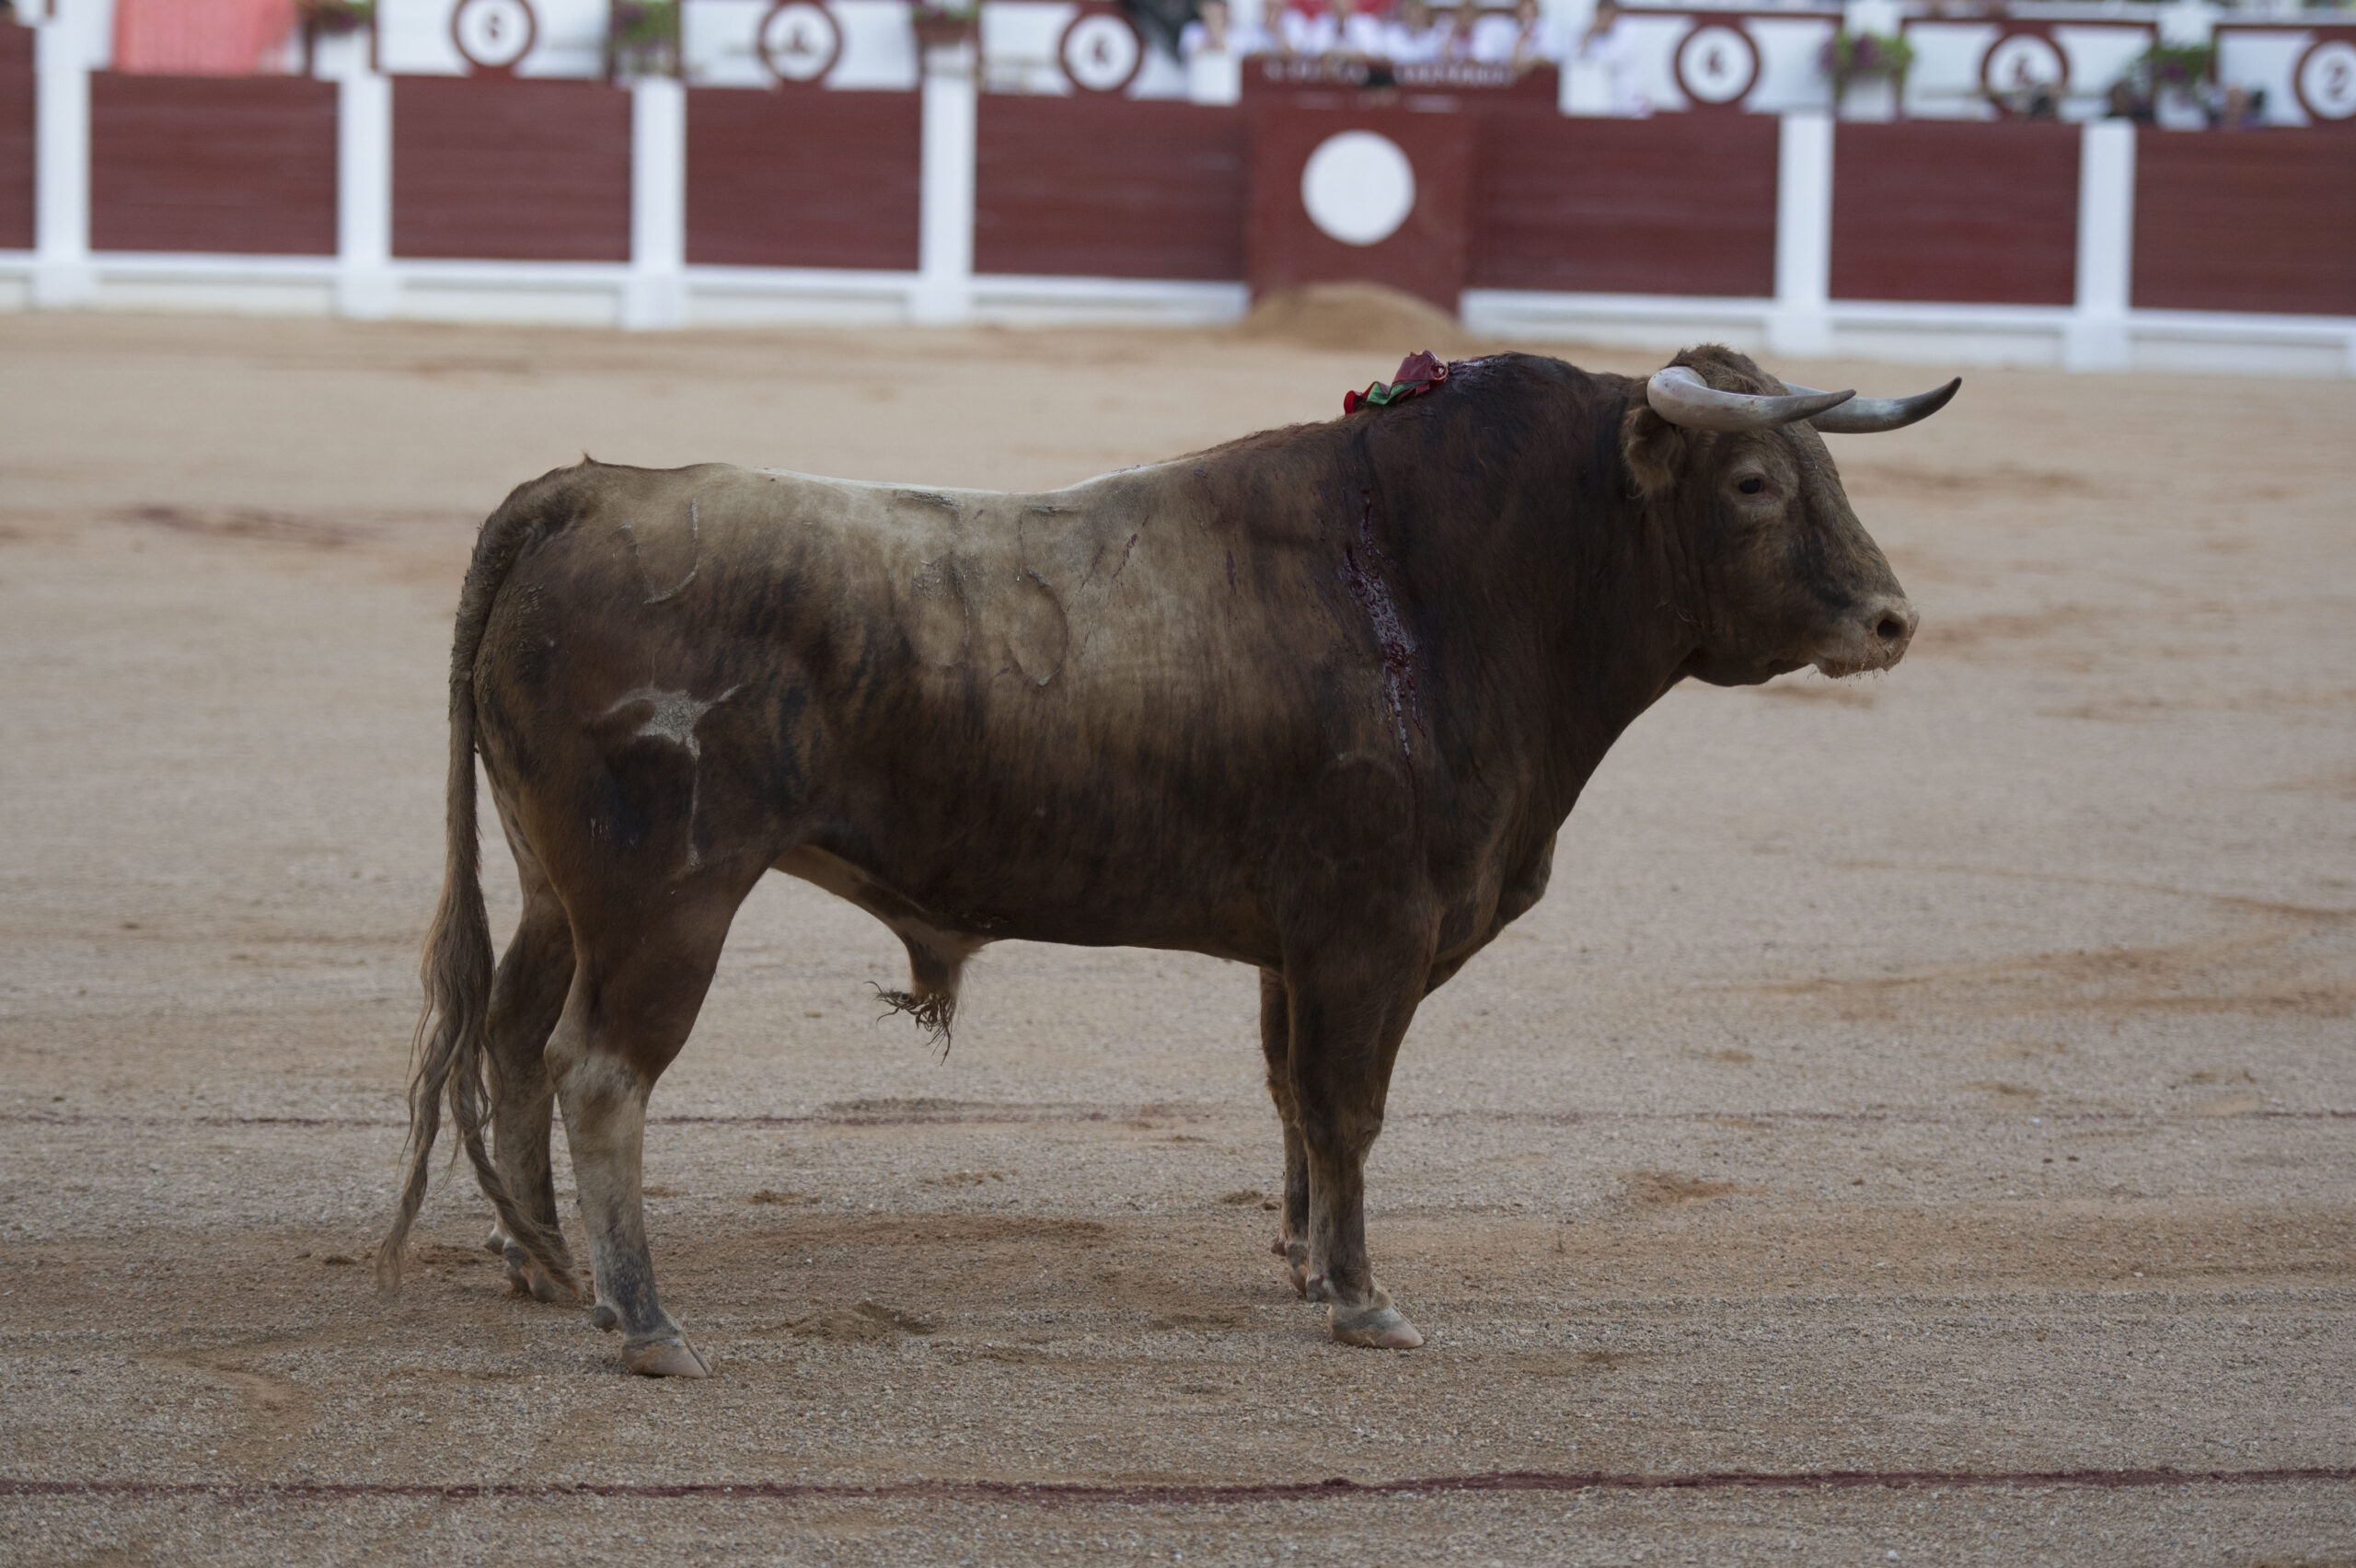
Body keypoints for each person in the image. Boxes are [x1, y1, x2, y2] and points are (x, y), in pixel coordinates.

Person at [1573, 0, 1648, 113]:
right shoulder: (1589, 32)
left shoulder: (1628, 31)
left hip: (1627, 97)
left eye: (1608, 14)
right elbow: (1578, 60)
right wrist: (1590, 34)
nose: (1604, 18)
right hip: (1599, 98)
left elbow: (1612, 59)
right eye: (1601, 14)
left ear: (1615, 14)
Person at [1384, 0, 1449, 63]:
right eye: (1410, 14)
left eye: (1418, 14)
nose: (1414, 18)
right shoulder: (1392, 35)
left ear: (1425, 16)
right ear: (1404, 15)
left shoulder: (1433, 38)